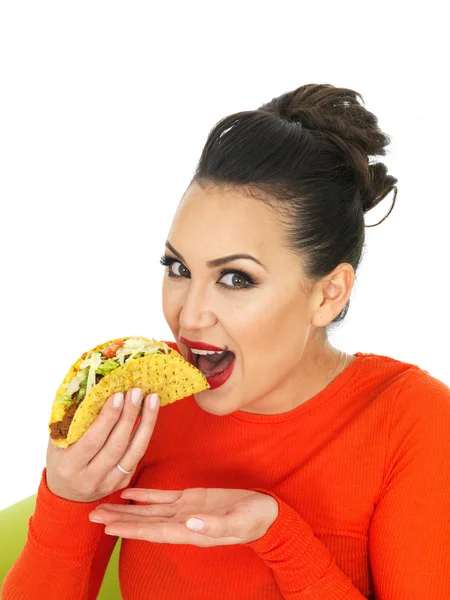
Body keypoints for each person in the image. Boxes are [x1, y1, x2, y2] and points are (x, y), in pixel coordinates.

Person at [2, 83, 450, 600]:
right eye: (178, 268)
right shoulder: (139, 408)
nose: (188, 316)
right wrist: (67, 497)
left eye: (236, 278)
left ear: (328, 294)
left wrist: (279, 537)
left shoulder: (410, 420)